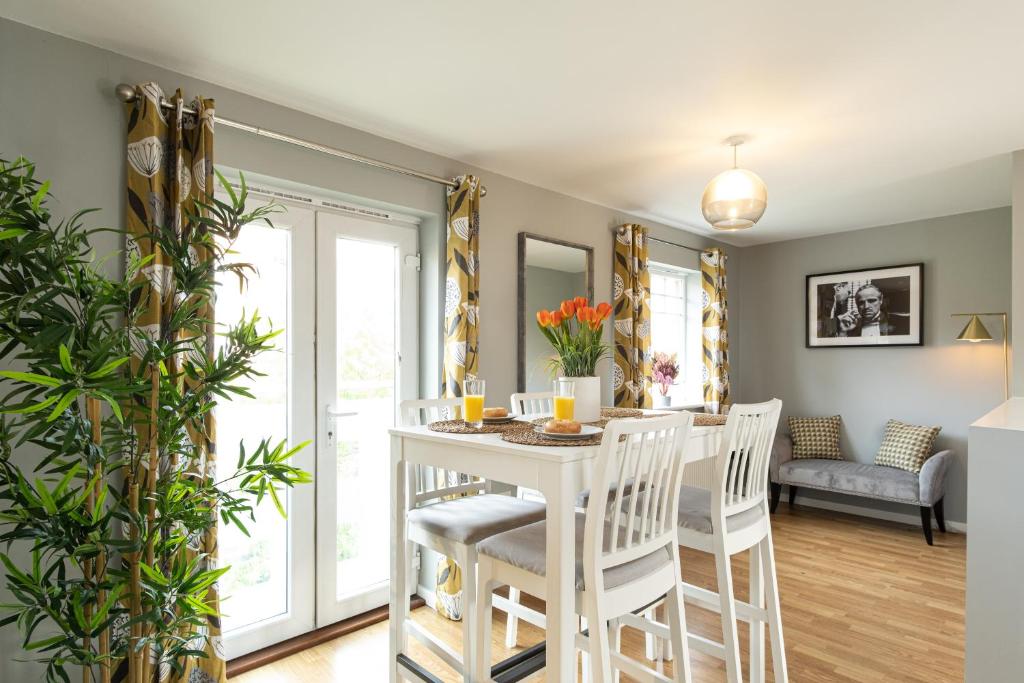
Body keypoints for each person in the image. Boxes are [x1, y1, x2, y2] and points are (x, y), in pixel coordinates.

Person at [833, 283, 909, 336]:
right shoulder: (850, 325)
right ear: (856, 304)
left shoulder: (903, 322)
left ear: (881, 300)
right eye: (861, 302)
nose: (866, 306)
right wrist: (843, 331)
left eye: (872, 300)